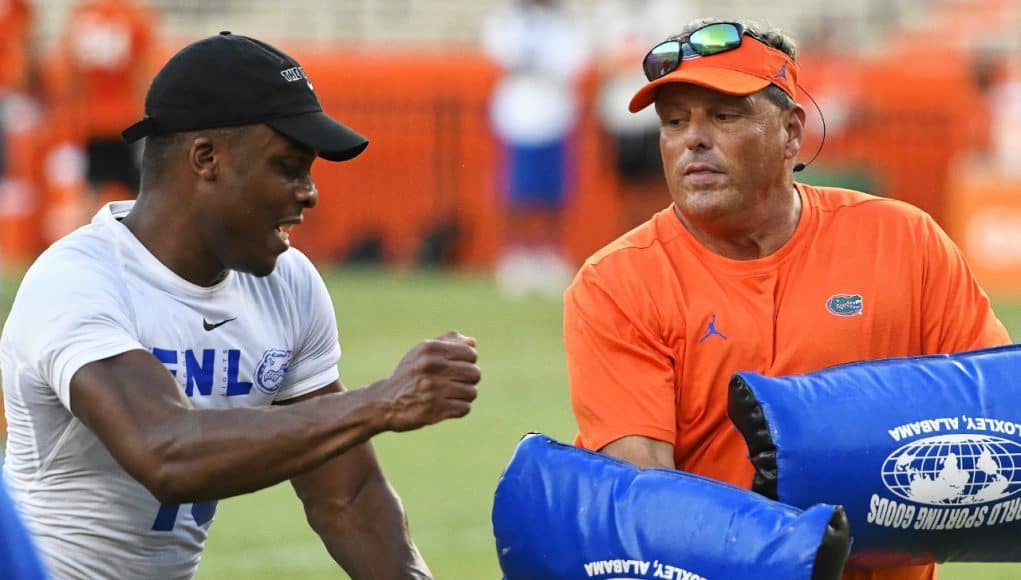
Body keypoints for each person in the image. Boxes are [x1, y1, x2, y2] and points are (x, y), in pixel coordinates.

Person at [0, 32, 481, 579]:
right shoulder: (78, 280)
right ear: (206, 158)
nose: (310, 192)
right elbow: (165, 452)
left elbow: (347, 497)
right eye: (288, 166)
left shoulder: (288, 282)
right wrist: (379, 403)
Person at [563, 18, 1010, 580]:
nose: (692, 139)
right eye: (674, 121)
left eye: (723, 116)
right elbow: (645, 500)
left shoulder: (905, 242)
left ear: (791, 132)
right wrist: (789, 555)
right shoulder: (616, 283)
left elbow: (997, 429)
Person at [482, 0, 587, 298]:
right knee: (515, 191)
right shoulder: (509, 17)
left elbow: (575, 61)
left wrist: (542, 62)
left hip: (555, 113)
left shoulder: (567, 20)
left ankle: (549, 254)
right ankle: (516, 254)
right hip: (518, 115)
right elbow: (500, 52)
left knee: (553, 193)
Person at [55, 0, 157, 207]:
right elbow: (142, 75)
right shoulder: (133, 17)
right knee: (136, 192)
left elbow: (73, 81)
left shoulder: (81, 17)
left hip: (92, 121)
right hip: (127, 119)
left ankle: (92, 237)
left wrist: (72, 123)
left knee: (93, 191)